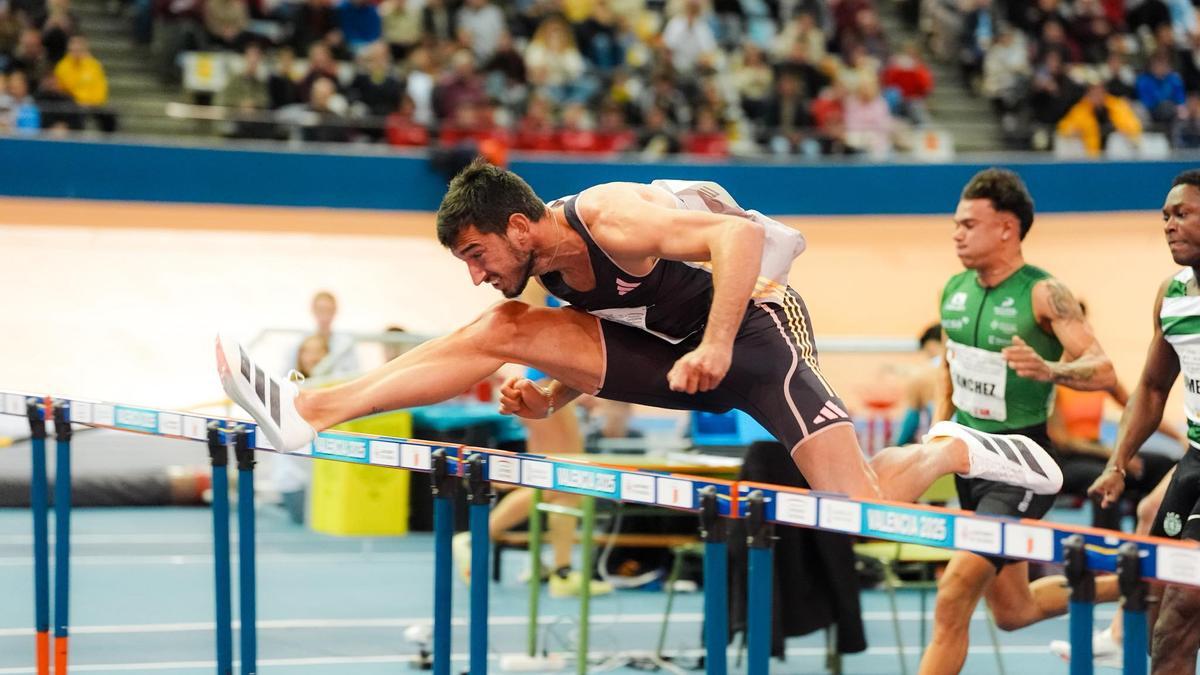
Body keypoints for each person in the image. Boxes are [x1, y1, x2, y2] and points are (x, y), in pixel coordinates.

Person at [217, 161, 1063, 518]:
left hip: (755, 332)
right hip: (677, 357)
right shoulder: (542, 271)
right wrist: (552, 391)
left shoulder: (610, 215)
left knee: (857, 511)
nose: (476, 273)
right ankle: (310, 410)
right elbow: (616, 326)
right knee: (507, 330)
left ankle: (954, 447)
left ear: (519, 226)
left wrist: (720, 342)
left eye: (477, 255)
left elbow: (735, 239)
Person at [918, 168, 1120, 675]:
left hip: (1020, 463)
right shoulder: (953, 289)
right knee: (1014, 611)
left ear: (1007, 228)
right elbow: (949, 368)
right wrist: (936, 433)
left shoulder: (1043, 293)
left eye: (969, 224)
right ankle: (1144, 580)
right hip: (969, 458)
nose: (957, 234)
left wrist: (1050, 369)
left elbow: (1102, 369)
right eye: (956, 224)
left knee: (953, 593)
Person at [1086, 170, 1200, 675]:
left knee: (1180, 609)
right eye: (1165, 216)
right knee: (1153, 603)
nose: (1169, 225)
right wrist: (1117, 462)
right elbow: (1153, 389)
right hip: (1195, 461)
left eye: (1183, 214)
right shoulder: (1172, 295)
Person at [893, 323, 944, 445]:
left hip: (940, 444)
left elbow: (911, 420)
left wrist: (896, 447)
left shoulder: (922, 374)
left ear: (931, 345)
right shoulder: (966, 370)